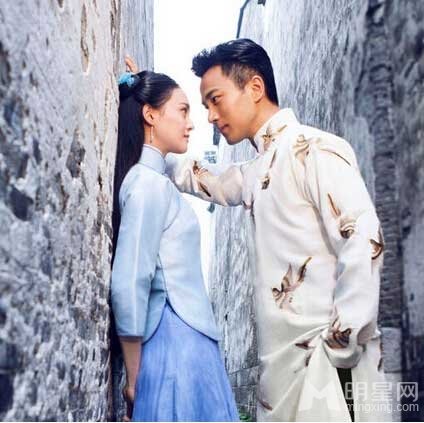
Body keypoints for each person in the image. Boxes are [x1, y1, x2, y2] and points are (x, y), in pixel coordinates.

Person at [151, 39, 391, 421]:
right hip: (278, 379)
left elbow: (363, 236)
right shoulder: (255, 172)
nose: (210, 116)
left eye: (216, 99)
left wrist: (341, 342)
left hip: (328, 368)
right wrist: (147, 127)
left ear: (255, 87)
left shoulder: (315, 148)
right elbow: (203, 178)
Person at [110, 65, 239, 422]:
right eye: (182, 110)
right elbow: (128, 281)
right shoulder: (146, 184)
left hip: (190, 343)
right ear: (150, 115)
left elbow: (183, 170)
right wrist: (134, 379)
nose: (191, 123)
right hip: (175, 346)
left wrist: (143, 83)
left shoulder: (155, 180)